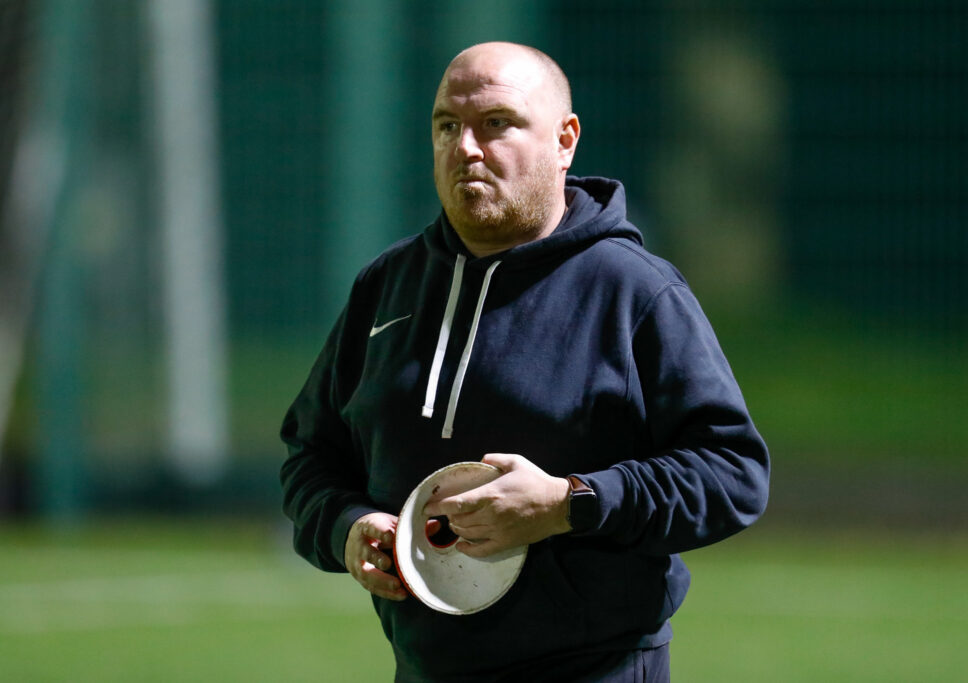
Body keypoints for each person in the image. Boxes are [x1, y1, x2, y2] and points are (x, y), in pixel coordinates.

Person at [280, 41, 770, 682]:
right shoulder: (388, 285)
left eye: (496, 123)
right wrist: (345, 528)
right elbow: (309, 456)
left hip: (597, 668)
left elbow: (732, 473)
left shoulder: (634, 291)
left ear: (564, 140)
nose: (467, 149)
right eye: (447, 126)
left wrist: (570, 502)